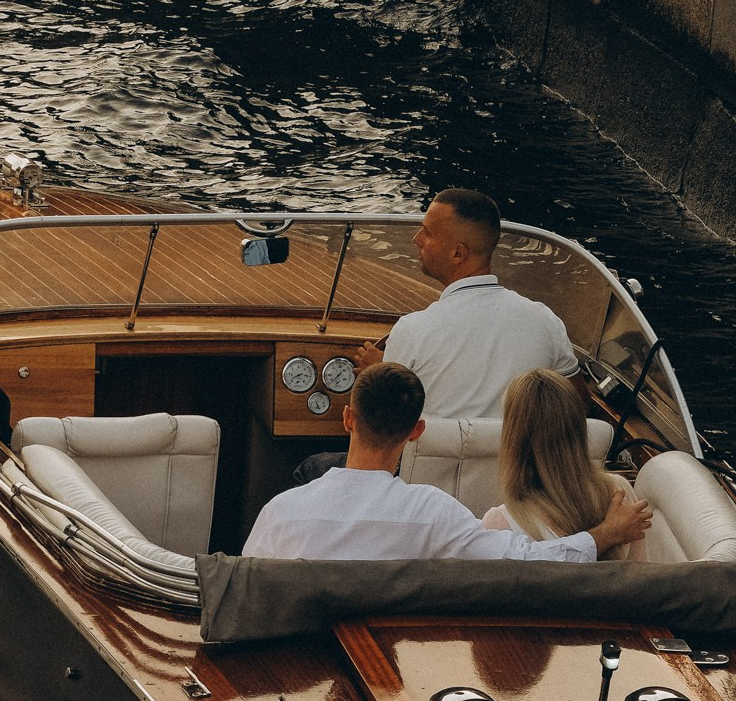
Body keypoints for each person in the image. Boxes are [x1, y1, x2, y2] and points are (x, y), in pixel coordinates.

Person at [244, 362, 651, 562]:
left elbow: (246, 591)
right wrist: (602, 536)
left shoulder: (281, 513)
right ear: (417, 430)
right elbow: (529, 562)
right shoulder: (435, 515)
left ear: (348, 418)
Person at [352, 187, 576, 420]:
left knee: (317, 459)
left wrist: (377, 375)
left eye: (427, 233)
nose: (416, 239)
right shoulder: (546, 322)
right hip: (515, 456)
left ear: (458, 254)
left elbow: (384, 427)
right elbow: (576, 404)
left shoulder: (412, 332)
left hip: (428, 456)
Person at [481, 368, 647, 562]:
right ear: (578, 429)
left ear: (513, 439)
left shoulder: (499, 523)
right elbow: (642, 576)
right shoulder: (620, 491)